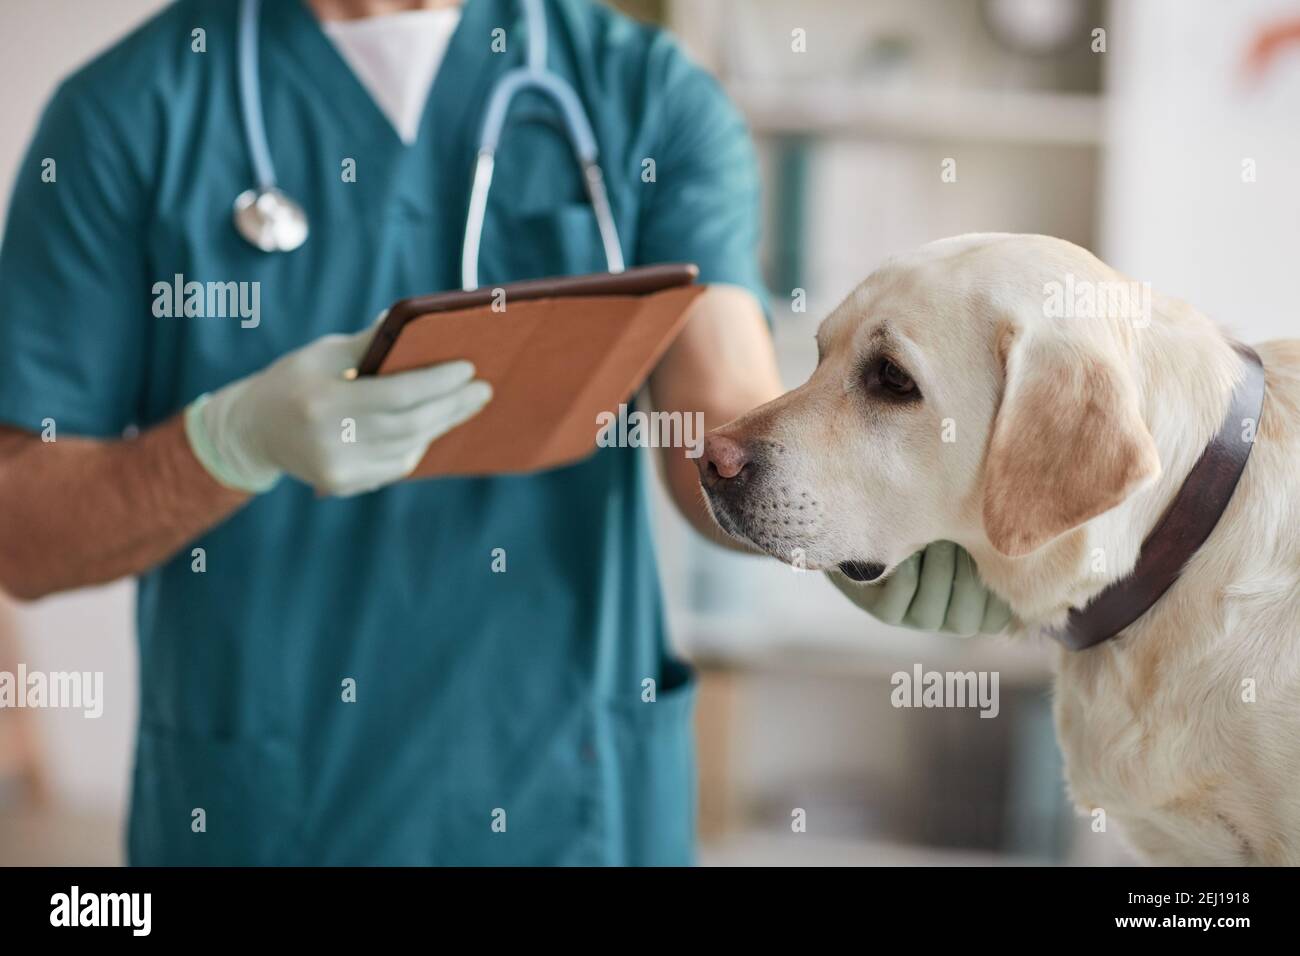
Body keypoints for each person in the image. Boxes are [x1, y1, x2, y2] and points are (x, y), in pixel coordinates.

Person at [0, 0, 784, 865]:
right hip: (265, 820)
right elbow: (18, 530)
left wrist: (847, 515)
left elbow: (722, 422)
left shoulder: (646, 97)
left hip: (567, 809)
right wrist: (226, 444)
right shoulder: (127, 113)